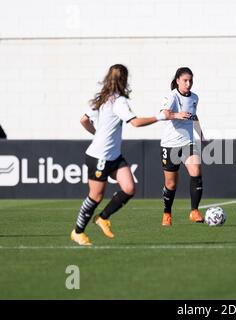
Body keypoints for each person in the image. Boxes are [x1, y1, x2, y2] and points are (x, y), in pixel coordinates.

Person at [71, 64, 189, 246]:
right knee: (95, 196)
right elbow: (134, 123)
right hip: (99, 156)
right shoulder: (117, 101)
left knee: (129, 188)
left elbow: (84, 120)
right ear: (124, 80)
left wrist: (97, 133)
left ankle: (102, 218)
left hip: (114, 156)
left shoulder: (101, 99)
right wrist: (160, 117)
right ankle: (78, 232)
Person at [159, 67, 206, 226]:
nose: (188, 83)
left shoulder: (194, 97)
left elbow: (194, 116)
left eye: (190, 80)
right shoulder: (172, 96)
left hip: (188, 142)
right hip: (170, 144)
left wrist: (201, 133)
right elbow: (163, 114)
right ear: (178, 80)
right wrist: (176, 115)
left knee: (196, 171)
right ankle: (167, 213)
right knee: (171, 184)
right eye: (185, 80)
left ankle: (194, 211)